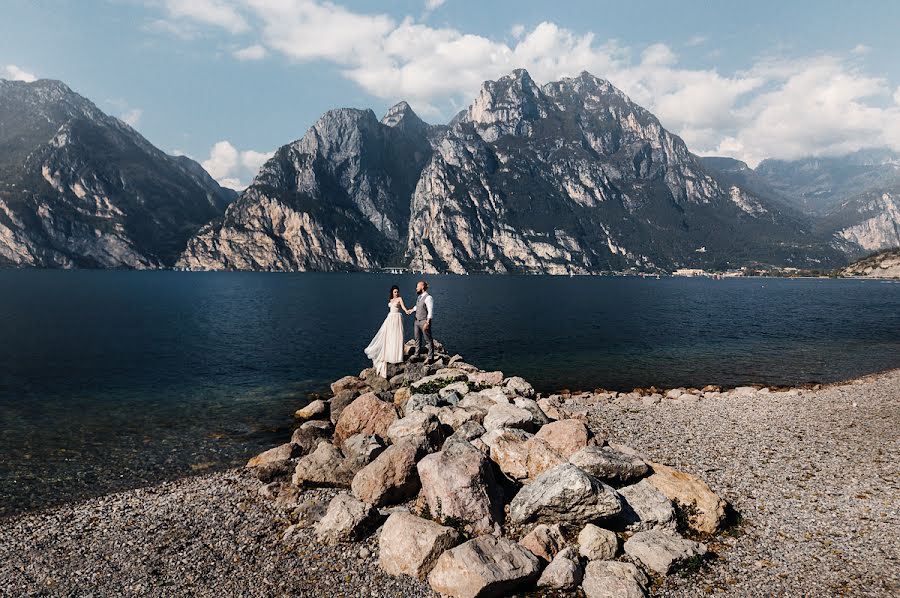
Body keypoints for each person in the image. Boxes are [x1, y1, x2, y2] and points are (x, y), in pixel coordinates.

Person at [364, 285, 409, 378]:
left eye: (397, 292)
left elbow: (403, 307)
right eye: (395, 292)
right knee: (389, 336)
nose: (396, 293)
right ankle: (390, 354)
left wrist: (407, 311)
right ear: (392, 292)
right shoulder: (391, 300)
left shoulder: (400, 299)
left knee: (397, 336)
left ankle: (397, 356)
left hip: (397, 318)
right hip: (390, 318)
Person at [405, 280, 434, 362]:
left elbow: (430, 311)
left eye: (417, 286)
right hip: (417, 321)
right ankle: (417, 355)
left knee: (428, 339)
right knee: (417, 339)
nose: (416, 288)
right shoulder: (419, 297)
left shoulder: (428, 298)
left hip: (424, 321)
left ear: (422, 287)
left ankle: (430, 357)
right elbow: (417, 306)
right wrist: (412, 310)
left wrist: (427, 323)